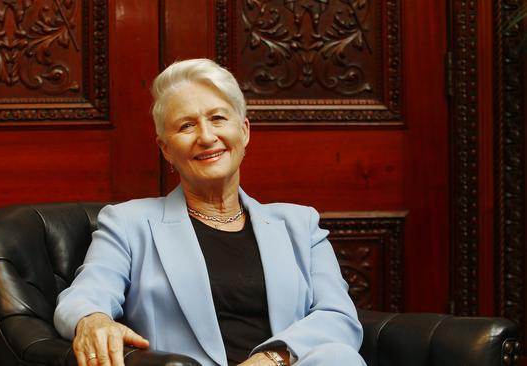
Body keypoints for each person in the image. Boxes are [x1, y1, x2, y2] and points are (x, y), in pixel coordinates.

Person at [54, 59, 365, 366]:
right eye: (186, 125)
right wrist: (92, 319)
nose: (205, 136)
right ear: (166, 149)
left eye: (218, 118)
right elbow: (84, 296)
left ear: (243, 132)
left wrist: (271, 359)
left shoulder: (300, 224)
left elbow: (338, 316)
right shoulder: (128, 223)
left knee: (337, 356)